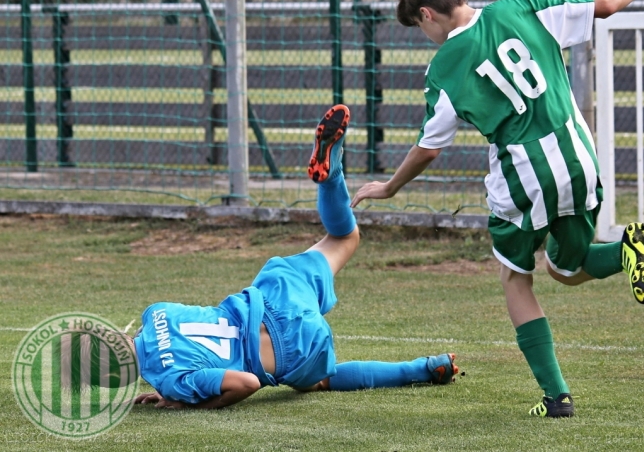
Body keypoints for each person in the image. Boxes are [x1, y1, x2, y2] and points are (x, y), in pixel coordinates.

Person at [350, 0, 644, 418]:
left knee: (517, 279)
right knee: (567, 266)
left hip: (524, 176)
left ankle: (557, 398)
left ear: (427, 15)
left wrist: (391, 187)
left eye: (422, 27)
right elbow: (602, 5)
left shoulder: (445, 68)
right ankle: (625, 251)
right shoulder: (520, 7)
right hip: (580, 156)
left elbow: (430, 146)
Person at [129, 105, 460, 410]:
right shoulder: (156, 313)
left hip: (291, 349)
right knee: (343, 238)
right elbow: (179, 348)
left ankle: (424, 368)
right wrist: (172, 385)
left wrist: (189, 402)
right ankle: (332, 177)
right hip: (276, 294)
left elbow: (247, 382)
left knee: (321, 381)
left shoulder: (174, 379)